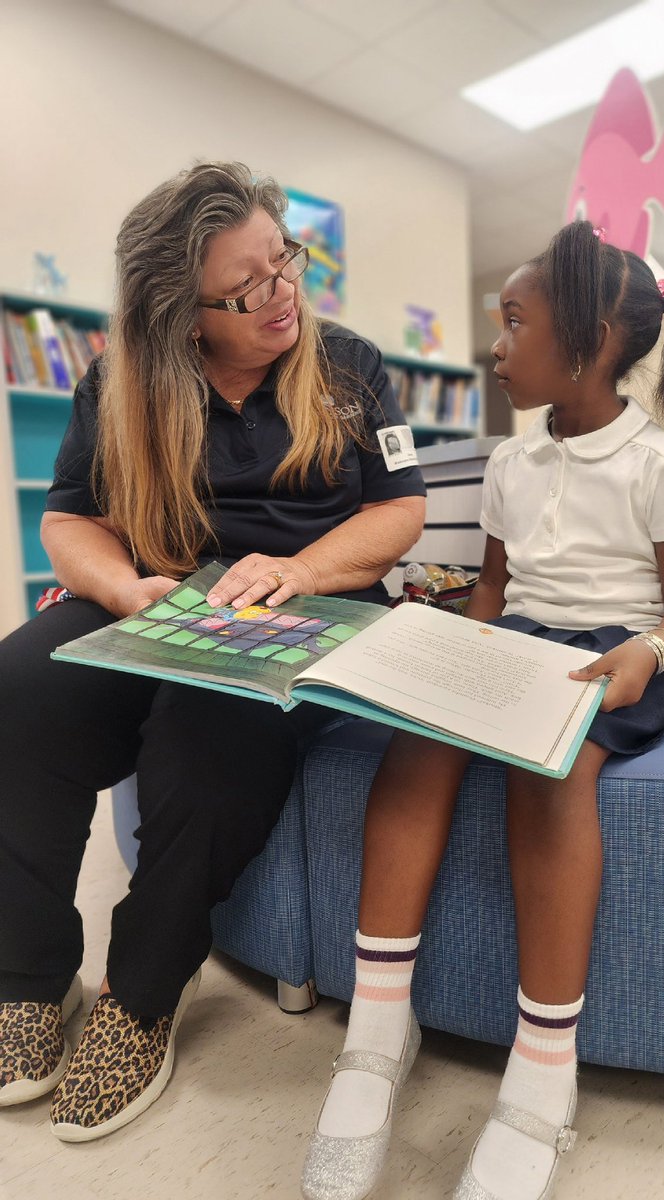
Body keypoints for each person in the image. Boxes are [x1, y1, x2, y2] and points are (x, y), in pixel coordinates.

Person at [0, 162, 426, 1141]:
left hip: (307, 606)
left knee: (207, 721)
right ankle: (25, 976)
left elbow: (398, 508)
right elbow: (71, 519)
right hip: (157, 595)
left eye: (287, 264)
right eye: (250, 288)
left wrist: (302, 571)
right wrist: (120, 588)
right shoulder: (120, 381)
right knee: (17, 687)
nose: (285, 295)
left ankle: (141, 993)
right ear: (182, 317)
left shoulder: (353, 363)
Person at [300, 220, 664, 1200]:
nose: (495, 345)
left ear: (593, 343)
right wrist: (440, 647)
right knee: (417, 748)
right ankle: (375, 1032)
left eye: (515, 322)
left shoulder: (663, 463)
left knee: (555, 766)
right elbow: (494, 589)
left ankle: (543, 1072)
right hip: (522, 643)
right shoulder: (509, 465)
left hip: (621, 655)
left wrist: (646, 651)